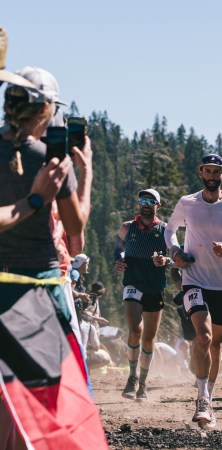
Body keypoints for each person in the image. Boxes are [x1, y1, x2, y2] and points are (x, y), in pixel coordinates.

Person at [0, 67, 106, 447]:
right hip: (38, 292)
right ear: (46, 109)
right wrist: (86, 172)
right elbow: (76, 233)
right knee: (45, 404)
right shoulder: (50, 159)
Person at [165, 153, 222, 428]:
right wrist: (175, 251)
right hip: (193, 278)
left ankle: (210, 396)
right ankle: (202, 399)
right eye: (207, 171)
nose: (212, 176)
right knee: (203, 337)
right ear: (200, 173)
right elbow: (170, 230)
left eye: (216, 172)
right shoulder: (188, 203)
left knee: (216, 344)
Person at [114, 188, 170, 402]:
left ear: (158, 206)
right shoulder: (127, 227)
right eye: (142, 200)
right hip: (133, 281)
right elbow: (118, 249)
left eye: (150, 200)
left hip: (155, 285)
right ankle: (132, 377)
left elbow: (177, 255)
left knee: (149, 338)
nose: (145, 204)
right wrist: (118, 261)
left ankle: (143, 384)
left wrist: (166, 261)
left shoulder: (166, 230)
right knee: (135, 329)